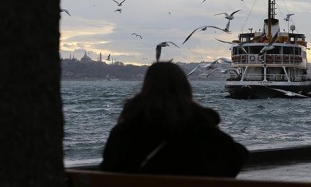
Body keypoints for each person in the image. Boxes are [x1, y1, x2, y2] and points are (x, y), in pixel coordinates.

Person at [100, 62, 248, 177]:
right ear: (185, 88)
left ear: (146, 87)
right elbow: (237, 156)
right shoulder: (199, 128)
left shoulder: (124, 130)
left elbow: (108, 168)